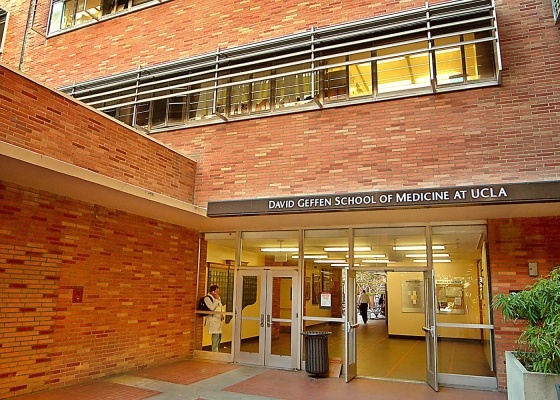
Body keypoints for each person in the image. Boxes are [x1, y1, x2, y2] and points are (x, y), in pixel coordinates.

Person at [204, 284, 224, 352]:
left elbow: (220, 306)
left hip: (218, 319)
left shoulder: (218, 298)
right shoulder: (207, 298)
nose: (218, 293)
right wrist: (216, 299)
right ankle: (214, 351)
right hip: (213, 319)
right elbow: (211, 308)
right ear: (213, 292)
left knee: (219, 335)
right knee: (215, 335)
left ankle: (217, 349)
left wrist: (222, 314)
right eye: (217, 291)